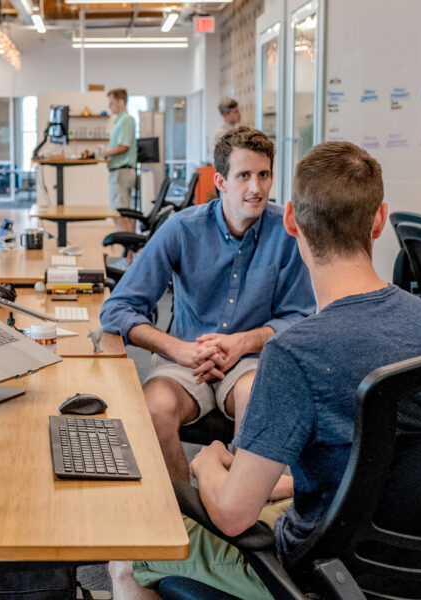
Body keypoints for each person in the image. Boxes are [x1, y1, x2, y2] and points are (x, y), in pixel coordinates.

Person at [109, 141, 421, 600]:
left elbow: (232, 516)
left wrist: (208, 464)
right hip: (407, 571)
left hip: (313, 570)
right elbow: (384, 462)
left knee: (126, 555)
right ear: (380, 220)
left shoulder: (294, 354)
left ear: (292, 221)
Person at [100, 126, 316, 483]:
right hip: (185, 359)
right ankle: (183, 507)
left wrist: (243, 342)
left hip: (251, 361)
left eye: (263, 175)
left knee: (257, 401)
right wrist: (177, 349)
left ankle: (238, 504)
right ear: (221, 181)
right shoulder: (182, 229)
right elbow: (116, 309)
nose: (256, 188)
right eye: (244, 176)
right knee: (153, 409)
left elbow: (300, 317)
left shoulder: (287, 232)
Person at [102, 88, 137, 233]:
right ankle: (129, 246)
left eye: (111, 103)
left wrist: (105, 153)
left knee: (120, 214)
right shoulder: (120, 121)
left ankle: (127, 246)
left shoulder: (126, 120)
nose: (109, 106)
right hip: (119, 172)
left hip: (122, 172)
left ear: (121, 102)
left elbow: (124, 146)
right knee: (121, 213)